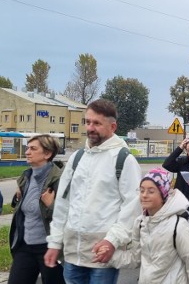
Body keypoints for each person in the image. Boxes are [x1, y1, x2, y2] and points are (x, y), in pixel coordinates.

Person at [44, 99, 142, 284]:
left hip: (102, 255)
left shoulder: (124, 160)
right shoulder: (77, 158)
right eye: (87, 122)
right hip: (73, 255)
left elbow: (132, 208)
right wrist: (55, 242)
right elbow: (63, 204)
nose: (90, 128)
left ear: (112, 126)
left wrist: (112, 241)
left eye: (97, 123)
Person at [129, 168, 189, 283]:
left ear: (162, 195)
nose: (144, 195)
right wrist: (109, 253)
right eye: (141, 190)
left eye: (151, 191)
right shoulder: (140, 223)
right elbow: (135, 258)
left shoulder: (178, 226)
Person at [8, 134, 65, 284]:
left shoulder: (60, 179)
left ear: (47, 153)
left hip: (50, 246)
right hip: (25, 245)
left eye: (33, 149)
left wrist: (50, 205)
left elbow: (68, 215)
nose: (27, 152)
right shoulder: (26, 176)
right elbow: (23, 209)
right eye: (27, 148)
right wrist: (17, 198)